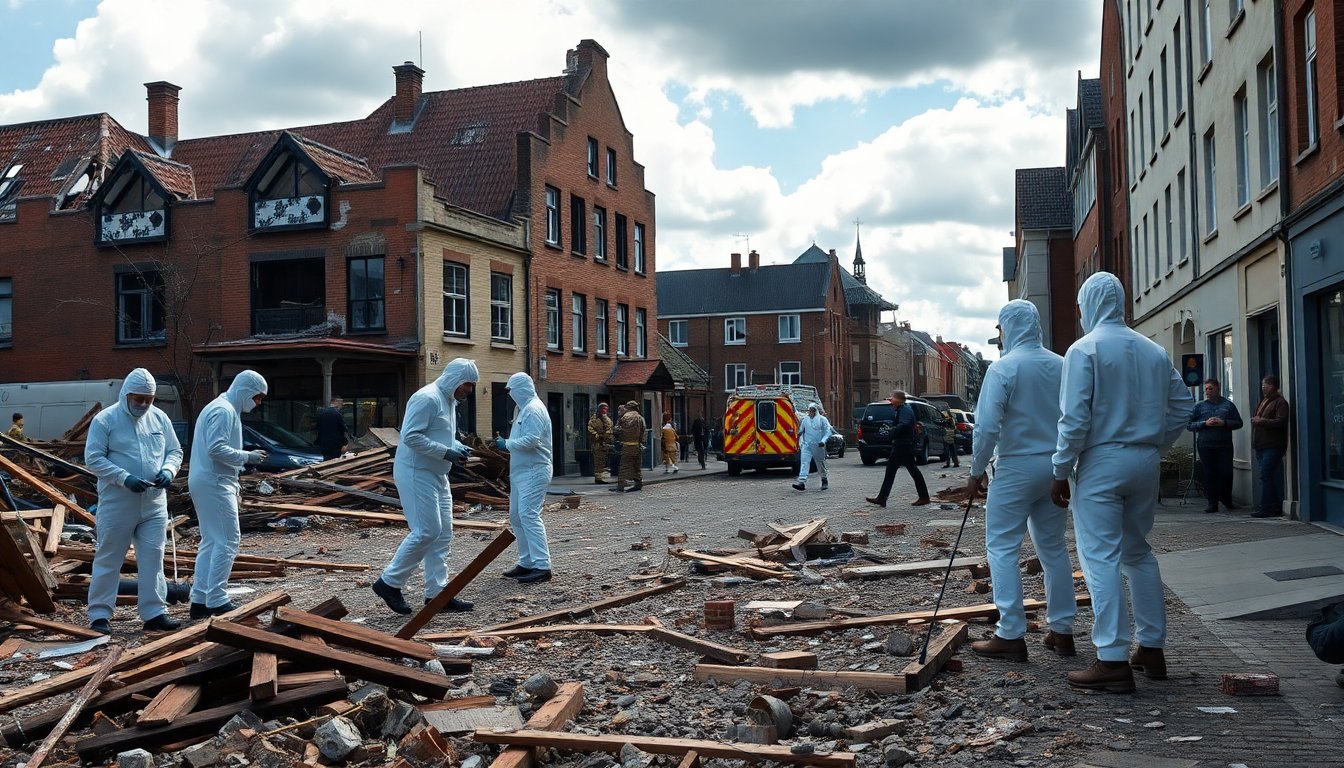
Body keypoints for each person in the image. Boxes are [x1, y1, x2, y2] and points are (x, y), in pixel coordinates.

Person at [1050, 272, 1194, 693]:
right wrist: (1154, 444)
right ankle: (1151, 646)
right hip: (1143, 459)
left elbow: (1074, 420)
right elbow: (1183, 406)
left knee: (1100, 558)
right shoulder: (1153, 349)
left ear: (1087, 306)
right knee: (1138, 553)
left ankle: (1111, 658)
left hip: (1101, 461)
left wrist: (1061, 470)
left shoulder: (1085, 349)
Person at [964, 302, 1075, 662]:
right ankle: (1062, 629)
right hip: (1056, 467)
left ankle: (1011, 632)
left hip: (1014, 466)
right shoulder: (1062, 365)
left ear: (1007, 328)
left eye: (999, 330)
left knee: (1002, 547)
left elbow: (986, 427)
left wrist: (976, 470)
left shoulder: (1003, 369)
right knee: (1054, 549)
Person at [373, 358, 478, 614]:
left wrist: (454, 447)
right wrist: (447, 452)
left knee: (443, 534)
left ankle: (437, 594)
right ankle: (389, 582)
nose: (469, 390)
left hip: (436, 472)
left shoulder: (448, 401)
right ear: (454, 380)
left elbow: (438, 435)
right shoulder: (427, 398)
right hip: (415, 471)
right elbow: (410, 437)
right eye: (467, 384)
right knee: (426, 531)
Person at [84, 369, 183, 634]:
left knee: (153, 557)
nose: (143, 404)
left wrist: (168, 470)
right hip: (118, 502)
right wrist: (123, 478)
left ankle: (154, 612)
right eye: (138, 399)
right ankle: (100, 615)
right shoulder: (105, 420)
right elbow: (93, 457)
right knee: (110, 557)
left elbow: (175, 450)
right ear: (126, 394)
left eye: (148, 399)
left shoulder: (159, 418)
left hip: (153, 503)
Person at [188, 370, 269, 618]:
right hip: (215, 481)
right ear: (245, 390)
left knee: (212, 541)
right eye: (257, 397)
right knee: (227, 539)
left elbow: (216, 447)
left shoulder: (221, 408)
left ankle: (200, 599)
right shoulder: (223, 410)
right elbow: (216, 448)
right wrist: (248, 456)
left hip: (208, 479)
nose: (257, 403)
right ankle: (217, 598)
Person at [493, 373, 554, 584]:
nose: (510, 395)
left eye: (511, 390)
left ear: (521, 389)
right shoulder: (524, 409)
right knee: (517, 516)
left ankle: (542, 565)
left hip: (534, 470)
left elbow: (531, 440)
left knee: (529, 515)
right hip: (522, 471)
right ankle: (527, 561)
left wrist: (506, 444)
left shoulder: (534, 409)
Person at [1187, 378, 1243, 513]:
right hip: (1206, 445)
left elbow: (1239, 423)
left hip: (1224, 445)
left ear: (1218, 388)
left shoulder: (1228, 405)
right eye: (1206, 389)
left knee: (1226, 473)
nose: (1208, 392)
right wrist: (1204, 424)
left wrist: (1224, 423)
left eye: (1210, 389)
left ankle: (1226, 500)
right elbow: (1188, 425)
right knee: (1210, 474)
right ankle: (1212, 503)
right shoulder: (1200, 406)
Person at [865, 391, 930, 507]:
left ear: (899, 400)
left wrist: (892, 431)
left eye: (893, 398)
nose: (890, 400)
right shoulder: (901, 410)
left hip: (903, 445)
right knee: (897, 470)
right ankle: (882, 498)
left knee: (907, 470)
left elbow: (904, 425)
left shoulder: (905, 410)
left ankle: (923, 497)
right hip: (902, 444)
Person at [1250, 375, 1290, 518]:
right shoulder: (1264, 401)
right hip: (1261, 445)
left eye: (1265, 385)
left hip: (1273, 446)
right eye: (1262, 385)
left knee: (1265, 475)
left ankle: (1266, 508)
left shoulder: (1280, 403)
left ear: (1273, 386)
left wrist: (1261, 421)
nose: (1263, 388)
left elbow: (1280, 421)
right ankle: (1275, 506)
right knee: (1273, 476)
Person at [793, 402, 834, 491]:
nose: (811, 412)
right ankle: (802, 482)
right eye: (810, 410)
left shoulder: (822, 419)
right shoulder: (805, 420)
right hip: (807, 445)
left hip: (818, 445)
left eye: (813, 410)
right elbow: (800, 431)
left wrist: (823, 441)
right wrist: (797, 442)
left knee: (820, 462)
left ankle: (824, 479)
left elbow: (828, 431)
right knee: (804, 462)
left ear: (816, 411)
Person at [613, 401, 647, 493]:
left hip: (627, 445)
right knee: (637, 465)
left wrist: (619, 438)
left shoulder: (624, 417)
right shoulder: (640, 417)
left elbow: (617, 430)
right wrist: (641, 443)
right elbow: (643, 431)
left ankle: (620, 486)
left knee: (624, 465)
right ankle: (638, 484)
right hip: (637, 445)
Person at [315, 397, 352, 461]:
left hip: (324, 444)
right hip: (335, 445)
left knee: (326, 461)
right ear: (335, 402)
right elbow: (342, 429)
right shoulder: (337, 414)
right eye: (341, 403)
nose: (341, 406)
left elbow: (318, 429)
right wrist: (345, 443)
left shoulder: (321, 414)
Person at [587, 403, 614, 484]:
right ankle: (598, 478)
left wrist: (606, 436)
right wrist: (597, 436)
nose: (605, 410)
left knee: (604, 460)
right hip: (597, 443)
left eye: (606, 409)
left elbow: (610, 429)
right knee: (598, 460)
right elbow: (590, 429)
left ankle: (602, 476)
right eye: (603, 409)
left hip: (605, 443)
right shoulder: (593, 419)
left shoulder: (608, 419)